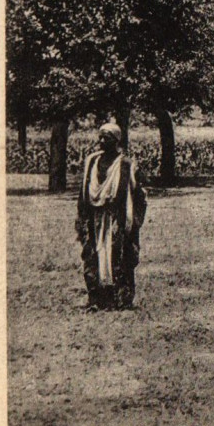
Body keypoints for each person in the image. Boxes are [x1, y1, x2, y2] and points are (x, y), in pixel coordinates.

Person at [76, 121, 147, 311]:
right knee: (93, 255)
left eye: (105, 138)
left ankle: (120, 299)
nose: (100, 141)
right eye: (99, 137)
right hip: (95, 218)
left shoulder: (126, 165)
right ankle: (96, 298)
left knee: (119, 255)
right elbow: (83, 192)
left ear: (116, 141)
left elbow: (139, 196)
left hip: (117, 220)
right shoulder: (92, 161)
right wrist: (82, 218)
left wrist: (133, 222)